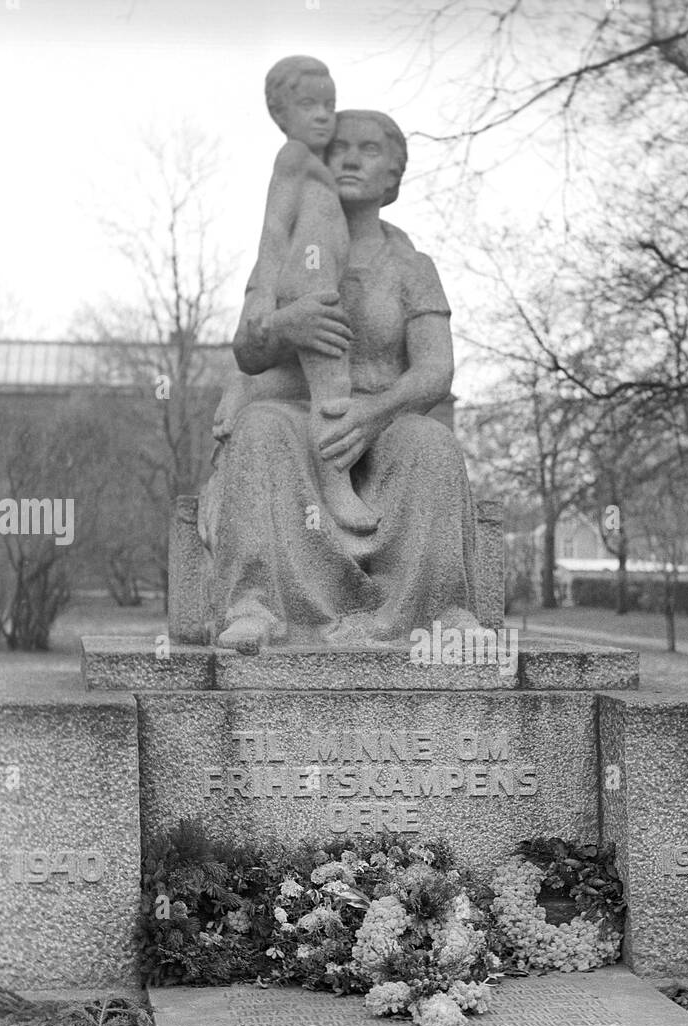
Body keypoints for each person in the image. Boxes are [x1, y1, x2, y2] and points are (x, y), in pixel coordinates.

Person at [201, 108, 480, 650]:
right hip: (297, 412)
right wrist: (286, 324)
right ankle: (255, 607)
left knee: (434, 447)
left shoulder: (411, 266)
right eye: (338, 148)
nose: (350, 158)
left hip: (385, 417)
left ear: (394, 176)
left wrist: (372, 417)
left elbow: (435, 371)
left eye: (369, 150)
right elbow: (249, 350)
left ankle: (439, 613)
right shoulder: (285, 254)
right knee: (260, 432)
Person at [212, 55, 378, 533]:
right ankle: (335, 481)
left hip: (319, 278)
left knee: (309, 385)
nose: (324, 114)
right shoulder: (293, 158)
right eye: (309, 105)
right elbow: (273, 232)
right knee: (333, 384)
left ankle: (247, 387)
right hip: (307, 283)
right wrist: (262, 299)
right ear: (281, 114)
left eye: (330, 104)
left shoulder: (320, 164)